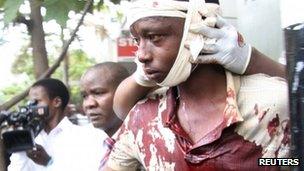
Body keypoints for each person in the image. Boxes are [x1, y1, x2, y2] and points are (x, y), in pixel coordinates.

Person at [105, 0, 290, 170]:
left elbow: (295, 161)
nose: (141, 55)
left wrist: (265, 162)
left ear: (202, 30)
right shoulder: (143, 117)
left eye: (155, 37)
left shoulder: (274, 105)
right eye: (138, 40)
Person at [8, 78, 107, 171]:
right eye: (30, 103)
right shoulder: (34, 138)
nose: (30, 107)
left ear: (56, 102)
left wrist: (48, 162)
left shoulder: (86, 136)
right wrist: (20, 143)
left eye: (36, 102)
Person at [79, 62, 130, 169]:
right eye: (84, 96)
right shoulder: (83, 143)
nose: (89, 104)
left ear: (124, 92)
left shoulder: (148, 142)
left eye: (98, 93)